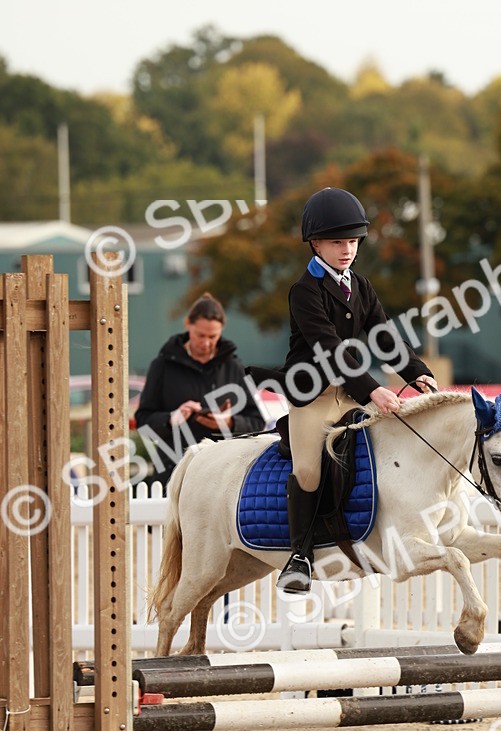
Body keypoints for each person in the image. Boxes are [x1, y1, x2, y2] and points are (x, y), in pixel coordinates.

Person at [276, 187, 437, 594]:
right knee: (309, 470)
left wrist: (416, 371)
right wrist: (373, 391)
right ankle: (299, 557)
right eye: (336, 242)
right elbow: (330, 350)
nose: (346, 249)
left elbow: (384, 338)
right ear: (315, 244)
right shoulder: (304, 291)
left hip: (347, 394)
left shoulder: (361, 287)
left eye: (352, 241)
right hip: (312, 396)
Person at [135, 293, 265, 489]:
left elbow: (256, 422)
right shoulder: (162, 365)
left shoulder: (234, 367)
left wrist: (229, 423)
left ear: (222, 330)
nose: (206, 343)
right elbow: (143, 420)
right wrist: (171, 419)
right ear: (188, 325)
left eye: (213, 337)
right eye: (200, 335)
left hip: (221, 476)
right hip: (174, 473)